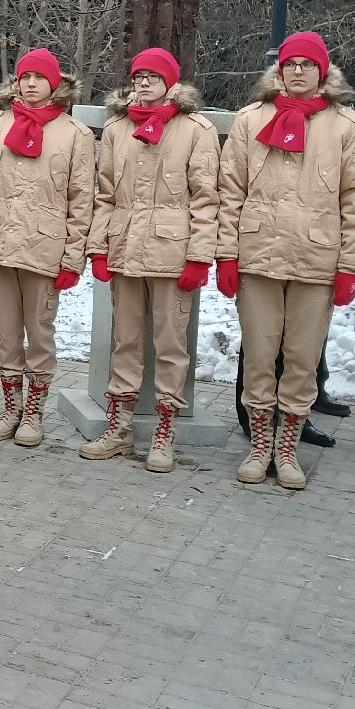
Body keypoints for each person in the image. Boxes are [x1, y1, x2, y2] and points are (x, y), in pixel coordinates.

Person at [218, 32, 355, 490]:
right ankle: (259, 445)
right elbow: (230, 191)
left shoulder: (349, 126)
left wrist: (351, 265)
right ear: (279, 70)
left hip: (316, 258)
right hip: (257, 256)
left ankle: (287, 448)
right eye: (292, 64)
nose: (299, 71)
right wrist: (226, 254)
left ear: (323, 72)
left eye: (309, 65)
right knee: (260, 355)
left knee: (302, 360)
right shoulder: (251, 120)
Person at [82, 47, 218, 473]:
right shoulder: (118, 128)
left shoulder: (196, 130)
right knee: (125, 342)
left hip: (171, 253)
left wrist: (199, 256)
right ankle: (119, 427)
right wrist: (98, 247)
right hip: (124, 249)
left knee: (171, 346)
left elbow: (207, 198)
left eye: (152, 77)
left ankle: (164, 431)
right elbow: (104, 194)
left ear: (171, 83)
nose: (143, 83)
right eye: (137, 75)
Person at [0, 50, 93, 446]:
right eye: (24, 77)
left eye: (39, 77)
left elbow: (81, 200)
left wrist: (72, 258)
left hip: (45, 250)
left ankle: (34, 413)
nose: (30, 83)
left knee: (39, 333)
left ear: (55, 83)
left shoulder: (75, 134)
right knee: (5, 332)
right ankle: (10, 407)